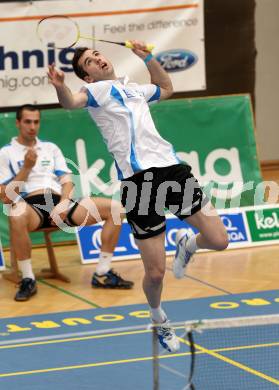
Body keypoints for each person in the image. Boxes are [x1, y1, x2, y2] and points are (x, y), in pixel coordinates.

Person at [47, 41, 229, 353]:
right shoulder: (94, 93)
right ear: (87, 77)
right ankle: (159, 318)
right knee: (156, 273)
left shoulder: (134, 89)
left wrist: (147, 57)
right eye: (90, 62)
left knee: (219, 239)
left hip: (172, 170)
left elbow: (165, 87)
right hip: (138, 183)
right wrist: (61, 87)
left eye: (97, 54)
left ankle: (188, 243)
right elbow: (70, 103)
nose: (98, 60)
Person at [0, 104, 134, 302]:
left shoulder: (50, 148)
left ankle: (102, 273)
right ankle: (28, 279)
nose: (32, 126)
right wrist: (26, 168)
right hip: (30, 207)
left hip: (59, 202)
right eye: (27, 122)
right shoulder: (6, 153)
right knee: (15, 212)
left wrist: (63, 204)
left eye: (36, 122)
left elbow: (66, 181)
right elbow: (6, 196)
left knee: (115, 209)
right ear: (18, 123)